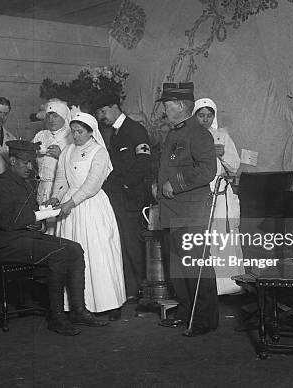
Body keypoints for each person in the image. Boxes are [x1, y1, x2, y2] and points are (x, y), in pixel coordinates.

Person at [0, 139, 108, 335]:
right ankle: (57, 317)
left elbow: (30, 218)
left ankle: (78, 310)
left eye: (32, 162)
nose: (30, 167)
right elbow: (7, 222)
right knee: (59, 252)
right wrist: (38, 217)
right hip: (7, 245)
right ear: (13, 161)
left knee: (75, 249)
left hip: (27, 239)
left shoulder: (25, 184)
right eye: (25, 162)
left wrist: (40, 224)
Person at [45, 112, 126, 320]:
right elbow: (61, 178)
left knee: (97, 253)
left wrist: (71, 202)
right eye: (73, 131)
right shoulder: (68, 150)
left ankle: (109, 304)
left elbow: (92, 184)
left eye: (80, 132)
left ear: (91, 132)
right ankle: (77, 305)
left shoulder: (99, 152)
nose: (76, 135)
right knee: (72, 252)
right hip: (69, 209)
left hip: (91, 206)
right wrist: (56, 197)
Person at [153, 82, 219, 337]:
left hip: (191, 213)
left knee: (196, 265)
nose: (165, 110)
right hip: (172, 211)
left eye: (168, 106)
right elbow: (170, 165)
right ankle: (186, 312)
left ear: (181, 106)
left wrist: (175, 184)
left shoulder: (199, 134)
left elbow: (207, 170)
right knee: (178, 268)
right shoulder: (175, 133)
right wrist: (157, 184)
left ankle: (204, 319)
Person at [94, 92, 152, 306]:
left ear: (114, 106)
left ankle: (144, 291)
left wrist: (127, 184)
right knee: (125, 244)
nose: (101, 116)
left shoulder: (135, 130)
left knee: (134, 245)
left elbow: (144, 162)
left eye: (103, 111)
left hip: (132, 199)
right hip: (120, 198)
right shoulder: (115, 132)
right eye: (98, 113)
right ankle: (133, 289)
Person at [193, 97, 243, 295]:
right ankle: (208, 287)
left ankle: (229, 285)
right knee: (205, 239)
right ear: (194, 116)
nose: (205, 119)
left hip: (220, 194)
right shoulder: (191, 137)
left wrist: (222, 154)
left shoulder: (222, 136)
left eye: (209, 115)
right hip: (199, 192)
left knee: (223, 237)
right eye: (201, 115)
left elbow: (234, 167)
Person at [31, 99, 73, 205]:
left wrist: (61, 155)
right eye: (48, 116)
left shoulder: (71, 137)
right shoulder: (41, 135)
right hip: (41, 185)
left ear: (63, 117)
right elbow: (29, 160)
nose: (51, 120)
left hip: (61, 187)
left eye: (55, 116)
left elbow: (77, 165)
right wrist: (34, 152)